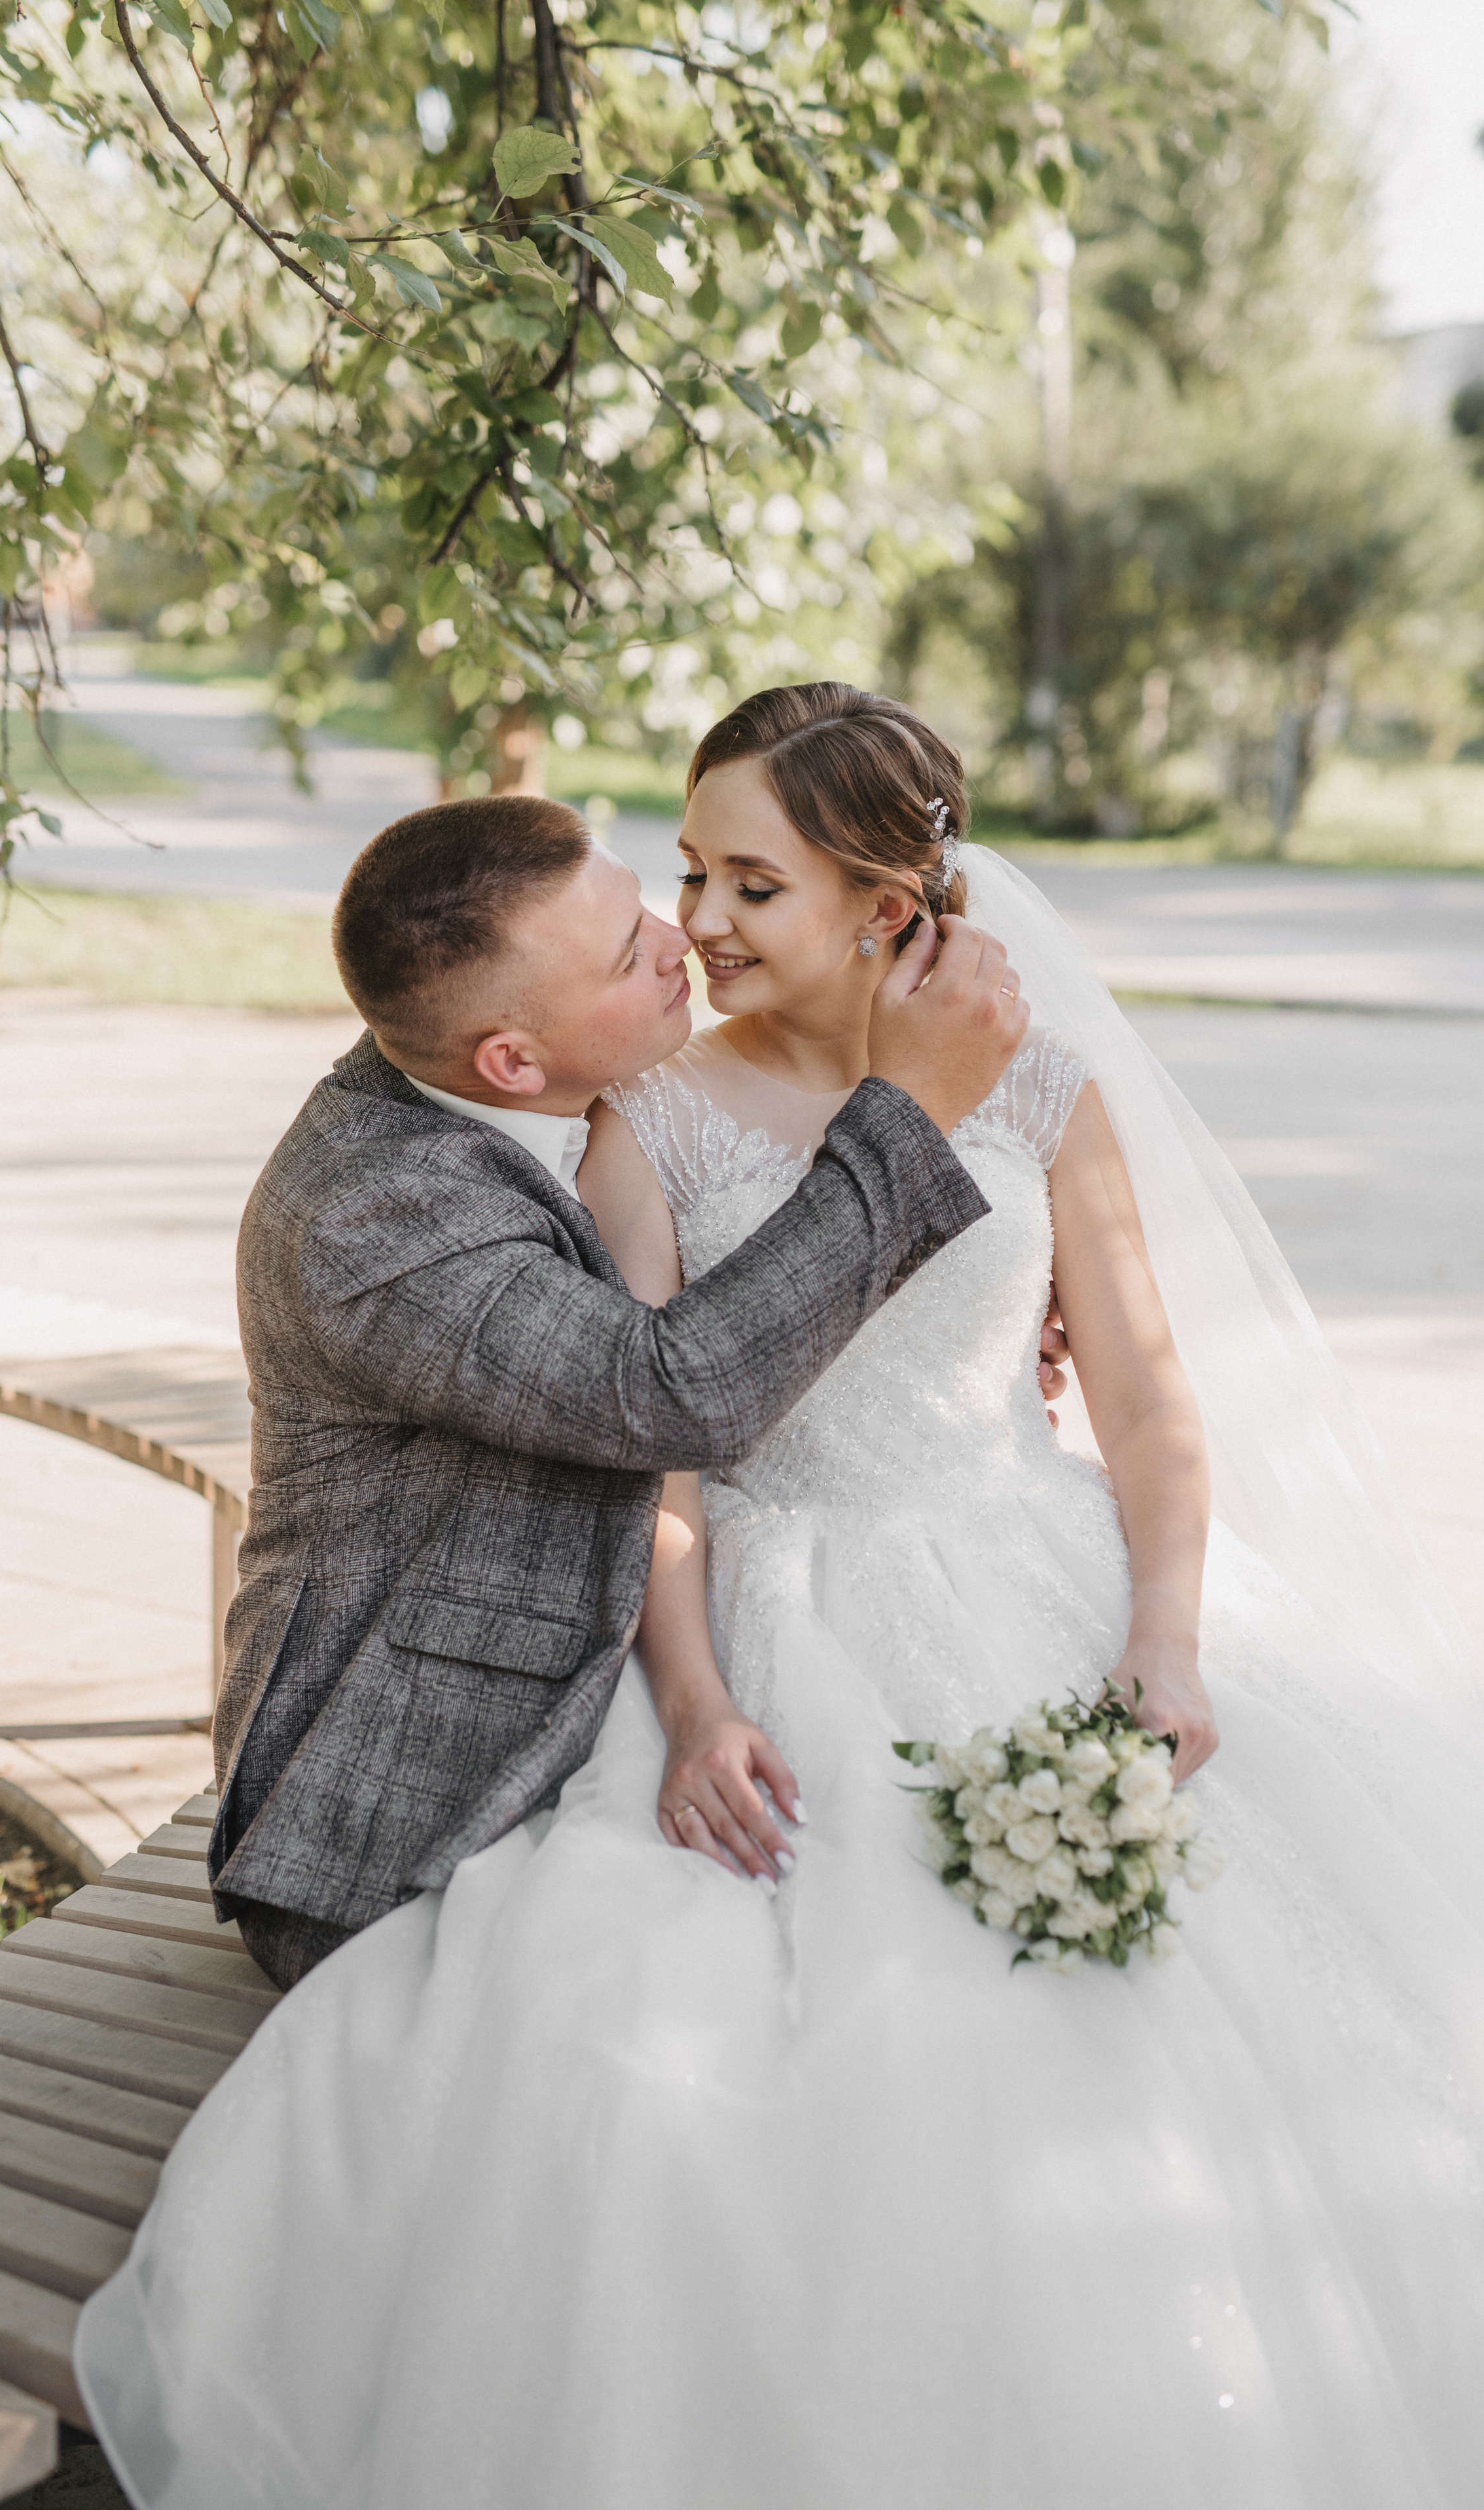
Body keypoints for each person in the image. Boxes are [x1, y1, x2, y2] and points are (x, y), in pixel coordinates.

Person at [77, 688, 1484, 2510]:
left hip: (1020, 1549)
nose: (702, 926)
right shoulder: (631, 1125)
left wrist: (1164, 1631)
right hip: (758, 1600)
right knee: (696, 2046)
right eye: (684, 883)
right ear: (515, 1054)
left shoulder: (1045, 1088)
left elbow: (1142, 1392)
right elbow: (669, 1437)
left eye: (751, 883)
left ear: (891, 906)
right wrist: (705, 1697)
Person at [204, 788, 1028, 1991]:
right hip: (421, 1783)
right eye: (623, 952)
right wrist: (911, 1120)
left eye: (640, 899)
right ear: (512, 1059)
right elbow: (674, 1388)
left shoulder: (515, 1080)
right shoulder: (374, 1214)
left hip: (641, 1662)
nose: (676, 937)